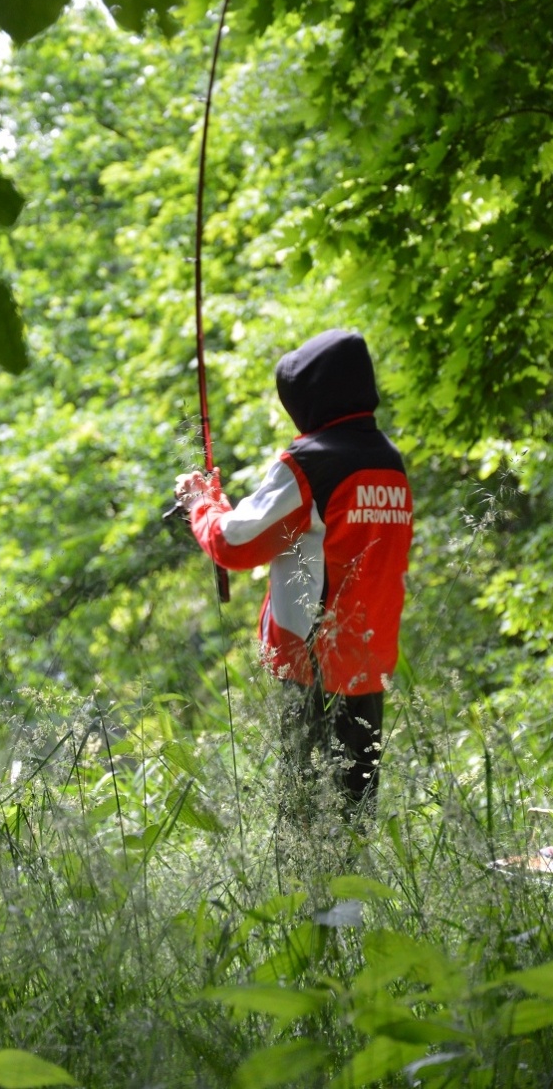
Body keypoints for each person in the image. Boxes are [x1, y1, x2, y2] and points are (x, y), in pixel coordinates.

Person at [174, 328, 413, 830]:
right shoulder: (388, 461)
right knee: (351, 817)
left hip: (312, 665)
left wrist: (201, 503)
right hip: (369, 663)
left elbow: (236, 543)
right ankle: (344, 908)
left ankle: (312, 908)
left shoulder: (309, 462)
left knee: (306, 816)